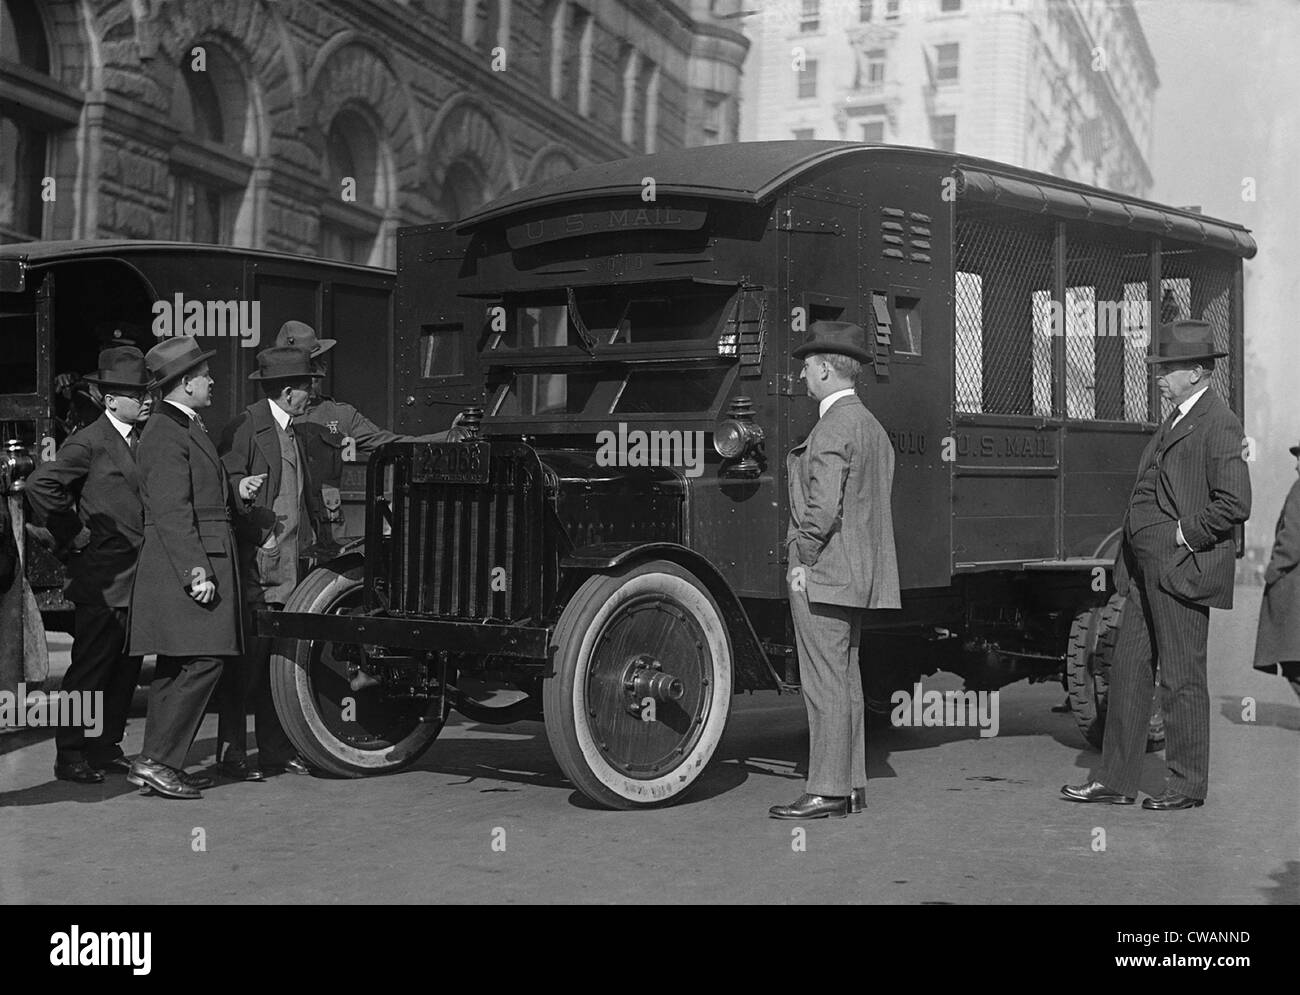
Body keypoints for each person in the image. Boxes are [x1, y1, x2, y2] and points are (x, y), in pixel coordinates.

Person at [1063, 319, 1251, 811]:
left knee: (1182, 678)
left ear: (1197, 371)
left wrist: (1178, 537)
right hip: (1147, 574)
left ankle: (1187, 785)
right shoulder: (1175, 419)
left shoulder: (1219, 421)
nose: (1158, 377)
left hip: (1181, 569)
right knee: (1127, 671)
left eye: (1167, 368)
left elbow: (1234, 502)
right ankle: (1116, 780)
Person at [769, 321, 901, 820]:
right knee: (845, 680)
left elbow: (821, 510)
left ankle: (826, 789)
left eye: (806, 367)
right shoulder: (870, 426)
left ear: (825, 368)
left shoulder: (832, 427)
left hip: (823, 572)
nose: (803, 376)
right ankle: (850, 787)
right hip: (857, 574)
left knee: (824, 684)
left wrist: (801, 559)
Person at [126, 337, 248, 799]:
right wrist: (196, 571)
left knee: (177, 665)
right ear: (184, 383)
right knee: (205, 659)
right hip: (188, 559)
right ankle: (158, 760)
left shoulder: (182, 425)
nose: (211, 380)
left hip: (194, 554)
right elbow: (173, 511)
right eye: (204, 374)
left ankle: (155, 762)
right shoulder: (165, 431)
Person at [26, 347, 152, 783]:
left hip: (137, 578)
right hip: (101, 578)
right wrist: (72, 533)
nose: (146, 400)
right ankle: (71, 753)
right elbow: (41, 485)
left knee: (125, 669)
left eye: (147, 391)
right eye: (136, 394)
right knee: (89, 670)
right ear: (110, 398)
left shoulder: (141, 438)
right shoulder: (90, 440)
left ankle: (105, 746)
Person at [215, 345, 324, 780]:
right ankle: (232, 754)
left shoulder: (293, 428)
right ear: (285, 390)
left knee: (279, 664)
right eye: (306, 387)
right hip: (262, 566)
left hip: (292, 569)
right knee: (248, 665)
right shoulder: (248, 425)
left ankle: (275, 753)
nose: (312, 393)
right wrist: (243, 488)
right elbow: (224, 479)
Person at [274, 321, 400, 551]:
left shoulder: (339, 414)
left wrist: (450, 438)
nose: (322, 369)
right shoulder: (265, 419)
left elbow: (390, 444)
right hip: (283, 537)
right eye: (314, 364)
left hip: (327, 535)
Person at [1252, 439, 1300, 700]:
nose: (1296, 466)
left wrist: (1273, 571)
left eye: (1299, 459)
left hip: (1293, 592)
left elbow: (1292, 540)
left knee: (1294, 664)